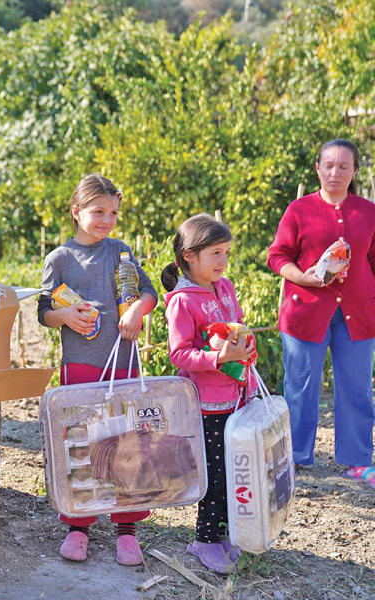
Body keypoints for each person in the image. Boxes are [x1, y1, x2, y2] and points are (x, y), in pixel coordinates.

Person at [37, 174, 157, 565]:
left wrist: (137, 311)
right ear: (76, 212)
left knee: (126, 441)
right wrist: (66, 315)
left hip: (123, 362)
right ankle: (78, 523)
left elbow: (149, 292)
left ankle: (127, 527)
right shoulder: (60, 259)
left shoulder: (120, 252)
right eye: (98, 212)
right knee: (82, 441)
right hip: (81, 366)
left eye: (113, 213)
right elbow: (44, 313)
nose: (107, 219)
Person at [266, 139, 375, 485]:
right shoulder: (298, 210)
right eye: (328, 165)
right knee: (300, 386)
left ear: (355, 171)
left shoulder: (369, 212)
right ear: (317, 168)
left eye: (344, 166)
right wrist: (302, 278)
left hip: (358, 313)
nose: (335, 172)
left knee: (356, 387)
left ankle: (357, 459)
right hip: (304, 312)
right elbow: (277, 256)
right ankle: (295, 457)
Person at [162, 213, 256, 574]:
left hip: (237, 395)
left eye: (227, 253)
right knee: (214, 474)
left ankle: (226, 533)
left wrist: (246, 350)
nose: (223, 261)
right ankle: (203, 539)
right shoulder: (182, 301)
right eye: (215, 253)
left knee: (235, 470)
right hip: (207, 404)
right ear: (190, 256)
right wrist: (220, 356)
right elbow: (179, 353)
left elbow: (238, 326)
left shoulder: (225, 286)